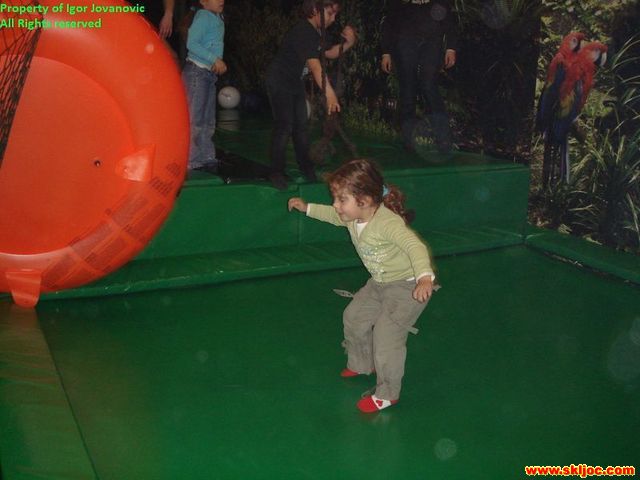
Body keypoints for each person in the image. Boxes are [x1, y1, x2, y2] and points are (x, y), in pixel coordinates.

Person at [288, 159, 436, 413]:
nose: (336, 205)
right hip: (379, 283)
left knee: (386, 339)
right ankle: (362, 364)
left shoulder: (387, 223)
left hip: (408, 287)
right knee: (354, 317)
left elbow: (414, 246)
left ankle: (388, 394)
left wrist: (424, 277)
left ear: (365, 200)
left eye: (341, 199)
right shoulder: (352, 217)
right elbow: (332, 215)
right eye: (336, 199)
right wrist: (307, 208)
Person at [265, 0, 356, 190]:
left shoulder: (317, 33)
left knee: (301, 127)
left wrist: (349, 43)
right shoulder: (303, 31)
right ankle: (276, 172)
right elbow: (315, 66)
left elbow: (330, 53)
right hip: (280, 80)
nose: (333, 19)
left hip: (294, 82)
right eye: (330, 13)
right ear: (315, 10)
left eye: (335, 14)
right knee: (285, 126)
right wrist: (330, 94)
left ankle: (306, 167)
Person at [380, 0, 458, 153]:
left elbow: (449, 16)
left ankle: (444, 138)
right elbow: (390, 19)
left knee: (428, 85)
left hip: (432, 39)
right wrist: (386, 52)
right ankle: (409, 139)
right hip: (405, 38)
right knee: (407, 87)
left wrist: (451, 47)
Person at [182, 0, 227, 172]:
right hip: (197, 73)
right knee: (195, 119)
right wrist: (214, 59)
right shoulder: (203, 16)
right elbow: (192, 43)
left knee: (208, 119)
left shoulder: (218, 18)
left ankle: (206, 155)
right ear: (203, 2)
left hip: (208, 74)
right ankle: (190, 158)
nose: (221, 0)